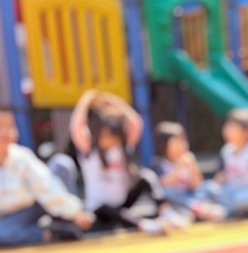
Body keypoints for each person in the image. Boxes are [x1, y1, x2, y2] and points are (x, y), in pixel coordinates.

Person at [0, 107, 93, 253]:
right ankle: (47, 233)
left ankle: (61, 226)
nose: (5, 131)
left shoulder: (21, 157)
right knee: (2, 234)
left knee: (61, 165)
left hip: (28, 207)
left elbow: (46, 185)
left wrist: (75, 212)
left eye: (10, 126)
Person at [69, 90, 187, 235]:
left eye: (114, 136)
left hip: (123, 202)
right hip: (100, 211)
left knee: (146, 176)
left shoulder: (121, 148)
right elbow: (76, 126)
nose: (111, 140)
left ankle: (167, 212)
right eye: (107, 135)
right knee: (106, 208)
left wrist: (114, 102)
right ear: (98, 132)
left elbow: (136, 122)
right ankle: (146, 225)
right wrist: (86, 100)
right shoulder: (89, 149)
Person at [150, 122, 226, 222]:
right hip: (176, 200)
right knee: (167, 192)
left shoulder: (188, 158)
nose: (181, 144)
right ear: (164, 145)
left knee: (210, 186)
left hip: (192, 195)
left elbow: (196, 185)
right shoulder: (159, 163)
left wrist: (193, 166)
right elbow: (162, 184)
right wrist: (178, 167)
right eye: (176, 142)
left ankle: (224, 207)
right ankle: (198, 210)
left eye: (183, 140)